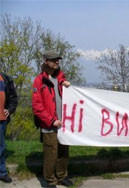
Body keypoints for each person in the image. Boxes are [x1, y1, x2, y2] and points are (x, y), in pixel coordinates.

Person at [32, 50, 72, 188]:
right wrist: (51, 120)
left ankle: (62, 176)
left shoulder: (61, 78)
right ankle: (50, 180)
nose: (57, 62)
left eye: (58, 60)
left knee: (63, 151)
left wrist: (67, 85)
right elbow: (37, 106)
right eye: (54, 59)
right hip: (49, 124)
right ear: (46, 61)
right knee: (51, 153)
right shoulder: (39, 80)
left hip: (63, 124)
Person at [0, 72, 18, 183]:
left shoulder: (6, 78)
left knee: (1, 146)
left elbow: (13, 98)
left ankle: (2, 172)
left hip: (1, 119)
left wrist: (10, 109)